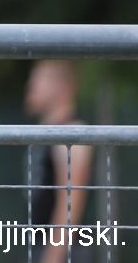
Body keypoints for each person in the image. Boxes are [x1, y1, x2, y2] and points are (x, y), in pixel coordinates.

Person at [23, 60, 93, 263]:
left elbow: (70, 205)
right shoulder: (47, 136)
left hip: (64, 253)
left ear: (60, 86)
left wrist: (52, 257)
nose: (30, 86)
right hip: (41, 246)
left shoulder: (72, 133)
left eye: (38, 80)